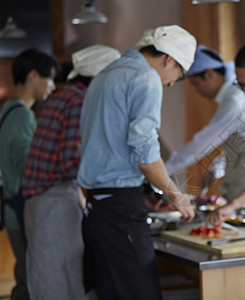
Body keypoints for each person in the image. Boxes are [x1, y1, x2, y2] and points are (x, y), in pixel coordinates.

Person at [77, 25, 196, 300]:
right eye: (178, 75)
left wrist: (146, 192)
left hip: (97, 207)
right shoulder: (146, 78)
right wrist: (177, 196)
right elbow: (145, 154)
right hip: (120, 211)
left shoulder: (103, 75)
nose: (170, 83)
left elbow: (108, 147)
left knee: (111, 293)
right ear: (168, 59)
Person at [22, 45, 121, 300]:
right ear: (99, 77)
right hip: (53, 203)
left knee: (50, 280)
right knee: (61, 284)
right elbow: (70, 162)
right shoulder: (80, 101)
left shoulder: (63, 96)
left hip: (44, 201)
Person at [164, 45, 245, 227]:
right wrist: (217, 169)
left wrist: (163, 172)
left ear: (209, 74)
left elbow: (202, 143)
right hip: (242, 189)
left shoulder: (235, 100)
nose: (196, 90)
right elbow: (238, 145)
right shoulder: (232, 97)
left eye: (195, 83)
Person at [0, 49, 59, 300]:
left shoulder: (7, 109)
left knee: (25, 277)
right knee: (30, 282)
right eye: (50, 79)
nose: (53, 86)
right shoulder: (22, 115)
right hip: (23, 210)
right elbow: (31, 167)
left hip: (13, 208)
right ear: (33, 76)